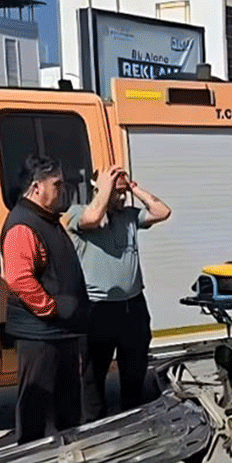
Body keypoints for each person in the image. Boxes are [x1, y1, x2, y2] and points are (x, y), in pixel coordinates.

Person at [66, 165, 170, 423]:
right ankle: (94, 427)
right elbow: (91, 218)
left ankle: (133, 421)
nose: (122, 198)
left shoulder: (129, 216)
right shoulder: (78, 213)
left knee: (134, 373)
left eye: (124, 193)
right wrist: (105, 189)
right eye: (117, 193)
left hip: (132, 307)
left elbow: (162, 212)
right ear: (98, 188)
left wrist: (134, 188)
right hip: (98, 309)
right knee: (93, 377)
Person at [1, 155, 90, 444]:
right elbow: (19, 279)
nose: (62, 189)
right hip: (40, 334)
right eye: (57, 184)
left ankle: (68, 460)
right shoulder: (22, 224)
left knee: (67, 408)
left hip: (59, 332)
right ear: (37, 187)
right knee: (35, 410)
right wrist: (51, 309)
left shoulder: (46, 219)